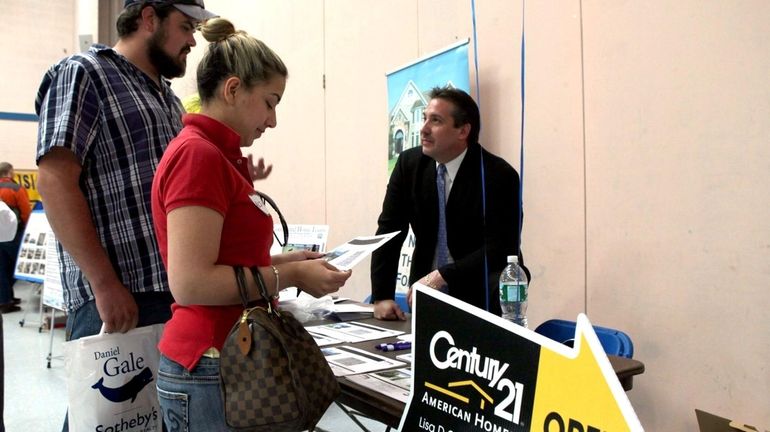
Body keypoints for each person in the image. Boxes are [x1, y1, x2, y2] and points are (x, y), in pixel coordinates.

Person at [151, 18, 351, 430]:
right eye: (270, 102)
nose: (273, 120)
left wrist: (285, 260)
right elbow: (191, 282)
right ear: (233, 89)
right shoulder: (198, 157)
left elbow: (227, 257)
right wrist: (289, 273)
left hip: (228, 357)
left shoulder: (218, 157)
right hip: (211, 364)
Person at [370, 86, 525, 320]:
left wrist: (444, 274)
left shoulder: (498, 175)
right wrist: (382, 296)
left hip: (482, 293)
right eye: (424, 119)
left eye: (436, 121)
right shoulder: (409, 165)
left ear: (463, 130)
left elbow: (501, 246)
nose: (423, 129)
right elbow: (389, 231)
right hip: (426, 291)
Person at [0, 162, 31, 314]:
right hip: (14, 234)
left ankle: (5, 299)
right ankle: (6, 298)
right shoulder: (16, 188)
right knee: (19, 265)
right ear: (9, 172)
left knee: (1, 267)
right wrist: (28, 229)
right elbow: (25, 212)